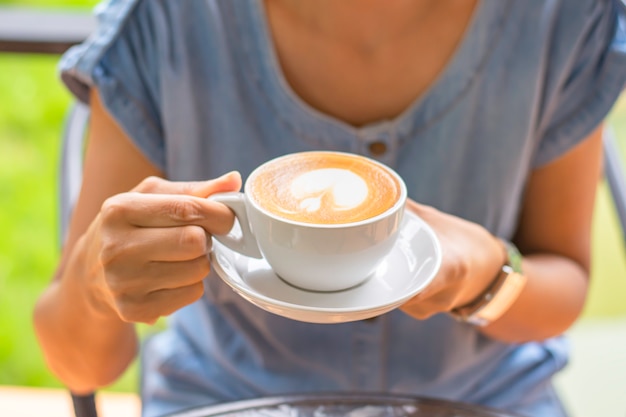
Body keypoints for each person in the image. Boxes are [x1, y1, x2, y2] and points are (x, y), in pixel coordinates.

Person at [33, 0, 626, 416]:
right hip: (229, 399)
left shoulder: (563, 18)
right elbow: (78, 365)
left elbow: (564, 285)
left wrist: (487, 273)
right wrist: (94, 284)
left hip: (478, 400)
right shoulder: (164, 21)